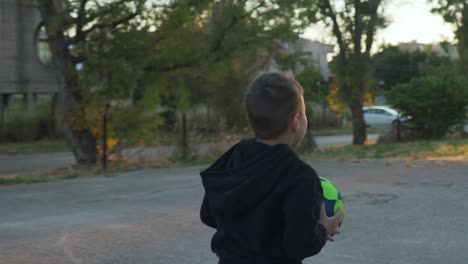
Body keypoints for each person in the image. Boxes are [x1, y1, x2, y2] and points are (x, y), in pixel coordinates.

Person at [199, 71, 342, 264]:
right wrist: (324, 228)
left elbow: (208, 214)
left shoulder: (234, 159)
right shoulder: (300, 177)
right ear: (296, 121)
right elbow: (300, 245)